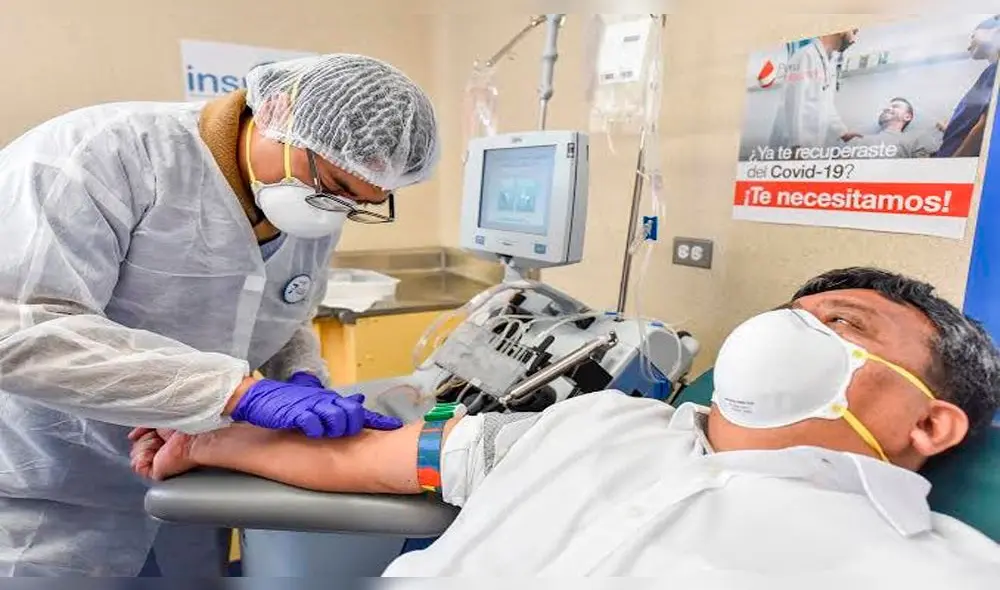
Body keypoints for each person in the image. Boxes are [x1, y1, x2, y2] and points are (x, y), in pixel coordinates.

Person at [133, 268, 1000, 581]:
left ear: (930, 425)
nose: (793, 329)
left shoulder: (938, 569)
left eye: (844, 324)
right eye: (793, 315)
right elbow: (380, 459)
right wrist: (206, 440)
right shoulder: (600, 420)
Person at [0, 53, 439, 576]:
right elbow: (23, 330)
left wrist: (297, 375)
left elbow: (283, 311)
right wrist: (237, 393)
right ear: (278, 109)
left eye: (362, 201)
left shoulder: (310, 199)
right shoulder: (100, 155)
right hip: (50, 494)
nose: (336, 208)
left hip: (194, 486)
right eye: (337, 187)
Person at [769, 29, 863, 151]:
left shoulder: (829, 63)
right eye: (854, 32)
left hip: (810, 146)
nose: (854, 40)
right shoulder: (805, 55)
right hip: (793, 147)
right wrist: (796, 144)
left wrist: (842, 132)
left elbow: (826, 104)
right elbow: (795, 103)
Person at [935, 15, 1000, 158]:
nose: (968, 45)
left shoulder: (995, 71)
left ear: (994, 31)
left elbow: (988, 123)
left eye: (972, 36)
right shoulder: (990, 74)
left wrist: (956, 159)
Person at [846, 97, 943, 158]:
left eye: (895, 106)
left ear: (907, 116)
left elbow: (923, 174)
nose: (887, 108)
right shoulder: (858, 141)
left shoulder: (917, 138)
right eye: (887, 107)